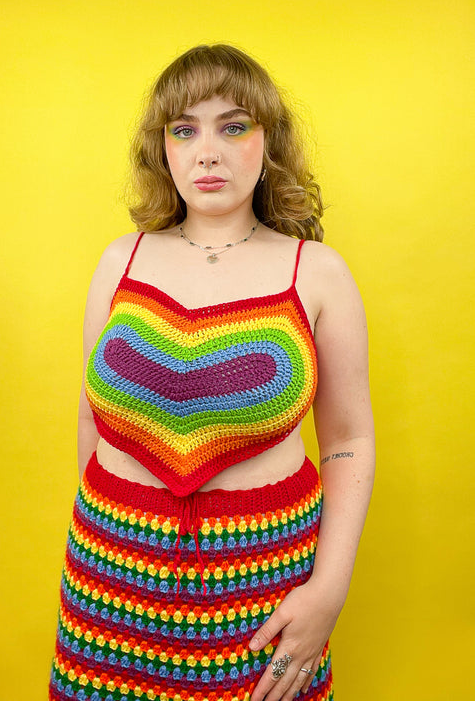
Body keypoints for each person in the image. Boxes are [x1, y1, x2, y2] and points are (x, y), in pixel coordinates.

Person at [49, 44, 375, 701]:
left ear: (268, 141)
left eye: (233, 126)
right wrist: (112, 534)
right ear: (161, 148)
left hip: (261, 591)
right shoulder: (121, 261)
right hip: (109, 588)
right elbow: (93, 416)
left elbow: (348, 439)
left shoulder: (315, 272)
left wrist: (326, 593)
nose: (207, 152)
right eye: (183, 129)